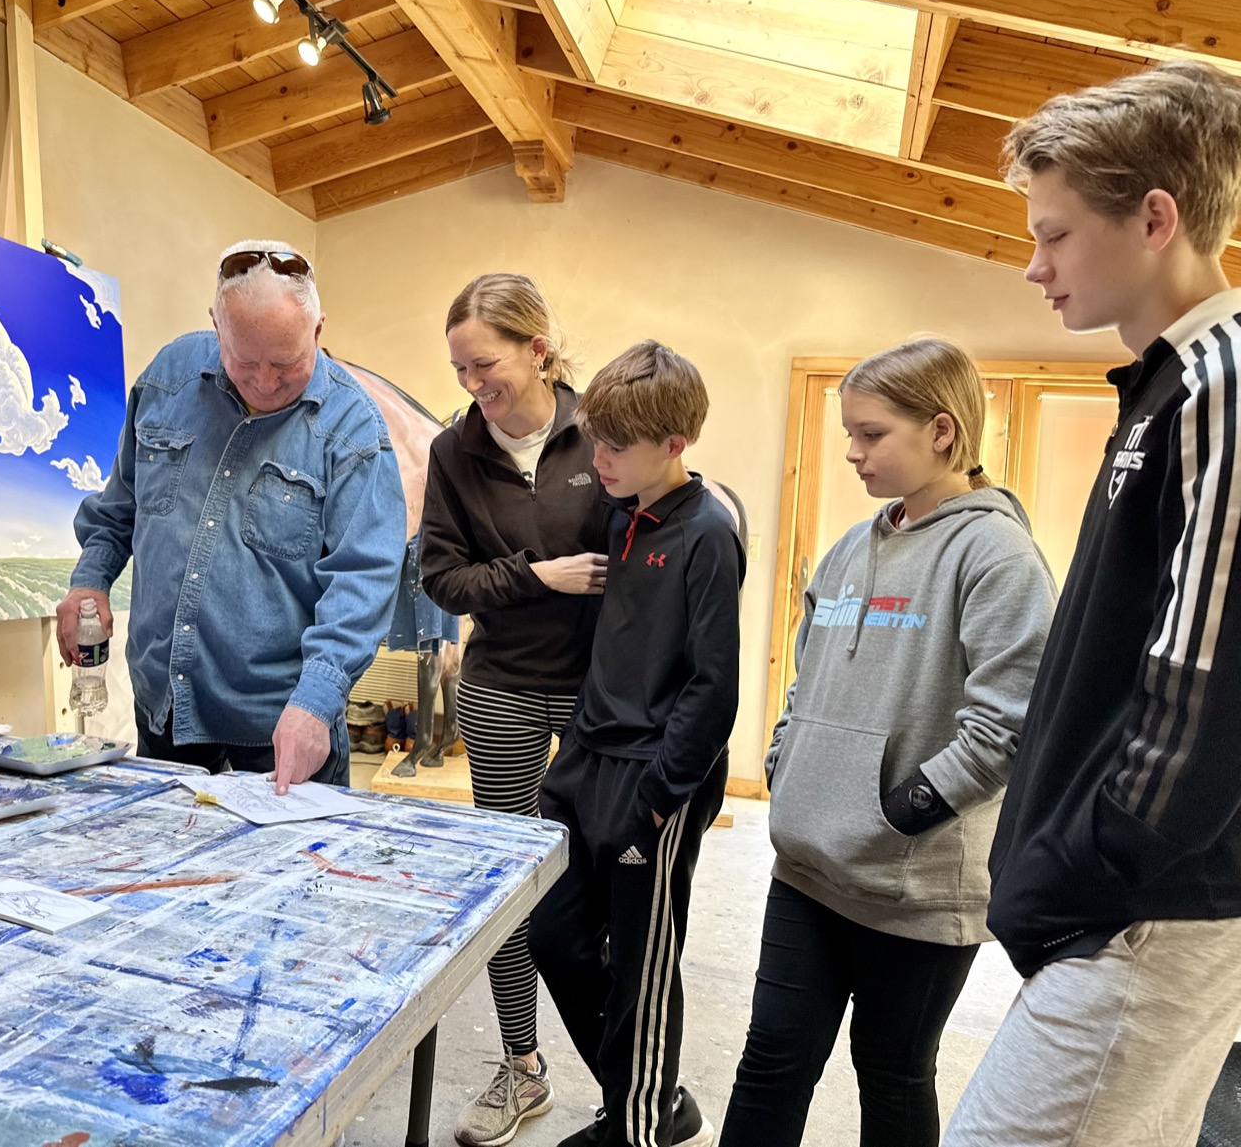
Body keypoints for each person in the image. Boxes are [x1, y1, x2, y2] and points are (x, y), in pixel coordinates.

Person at [943, 60, 1241, 1146]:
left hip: (1145, 911)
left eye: (1055, 234)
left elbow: (1199, 676)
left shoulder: (1221, 381)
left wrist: (1094, 866)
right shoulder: (1164, 384)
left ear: (1154, 217)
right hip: (1125, 909)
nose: (1034, 266)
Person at [718, 339, 1056, 1147]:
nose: (851, 450)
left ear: (942, 431)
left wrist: (899, 811)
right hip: (806, 869)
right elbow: (806, 677)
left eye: (872, 433)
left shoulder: (997, 556)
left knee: (892, 1072)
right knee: (771, 1059)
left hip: (916, 890)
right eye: (848, 431)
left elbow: (1011, 719)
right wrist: (785, 761)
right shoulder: (848, 549)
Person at [57, 241, 405, 792]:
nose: (265, 383)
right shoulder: (167, 380)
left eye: (286, 364)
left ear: (317, 332)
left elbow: (362, 581)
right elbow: (119, 507)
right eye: (245, 361)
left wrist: (318, 700)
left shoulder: (352, 430)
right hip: (165, 713)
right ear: (216, 328)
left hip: (280, 731)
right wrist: (90, 580)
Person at [527, 340, 744, 1147]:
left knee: (643, 968)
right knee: (551, 933)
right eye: (596, 439)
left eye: (618, 446)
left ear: (675, 444)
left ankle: (640, 1125)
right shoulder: (621, 517)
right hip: (585, 763)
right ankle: (647, 1097)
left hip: (655, 778)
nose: (600, 458)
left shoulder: (708, 535)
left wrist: (662, 794)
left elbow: (713, 683)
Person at [421, 273, 611, 1146]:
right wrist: (538, 575)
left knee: (605, 883)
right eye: (460, 369)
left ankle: (627, 1074)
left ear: (539, 349)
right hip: (499, 688)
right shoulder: (453, 453)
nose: (473, 385)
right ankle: (521, 1066)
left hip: (595, 692)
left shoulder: (603, 428)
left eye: (485, 364)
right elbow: (442, 578)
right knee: (508, 885)